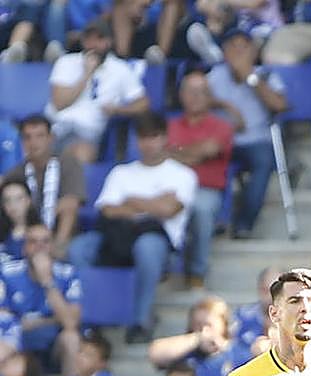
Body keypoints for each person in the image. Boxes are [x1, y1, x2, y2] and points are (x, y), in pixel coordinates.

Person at [66, 111, 198, 344]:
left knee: (147, 247)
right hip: (117, 235)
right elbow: (107, 210)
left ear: (164, 137)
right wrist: (153, 204)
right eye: (143, 137)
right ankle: (91, 316)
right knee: (78, 248)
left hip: (159, 242)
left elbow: (169, 210)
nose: (147, 143)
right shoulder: (121, 172)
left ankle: (141, 319)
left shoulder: (182, 174)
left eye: (153, 136)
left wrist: (130, 201)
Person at [207, 30, 289, 239]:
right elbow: (195, 100)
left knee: (263, 161)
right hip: (223, 140)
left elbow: (280, 105)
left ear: (254, 52)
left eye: (244, 47)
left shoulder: (266, 74)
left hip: (256, 141)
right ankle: (217, 220)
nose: (238, 52)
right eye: (233, 47)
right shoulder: (215, 75)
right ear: (224, 52)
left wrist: (250, 78)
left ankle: (244, 223)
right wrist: (223, 105)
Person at [44, 17, 149, 163]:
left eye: (99, 39)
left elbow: (143, 104)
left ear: (109, 41)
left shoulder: (120, 69)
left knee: (78, 155)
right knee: (32, 144)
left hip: (87, 133)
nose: (92, 45)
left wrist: (118, 110)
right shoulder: (66, 62)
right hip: (55, 128)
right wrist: (86, 74)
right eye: (88, 39)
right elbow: (59, 103)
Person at [168, 70, 234, 289]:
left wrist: (178, 153)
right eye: (190, 91)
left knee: (200, 209)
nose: (195, 96)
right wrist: (195, 153)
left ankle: (196, 272)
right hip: (171, 187)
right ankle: (164, 269)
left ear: (209, 96)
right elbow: (163, 154)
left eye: (201, 92)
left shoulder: (221, 126)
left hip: (205, 189)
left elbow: (206, 151)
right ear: (181, 95)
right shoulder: (171, 125)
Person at [0, 221, 82, 376]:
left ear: (52, 246)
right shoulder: (6, 272)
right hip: (16, 341)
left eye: (45, 241)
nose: (40, 246)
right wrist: (50, 319)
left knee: (71, 338)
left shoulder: (68, 273)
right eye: (33, 242)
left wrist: (47, 282)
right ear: (24, 248)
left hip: (52, 344)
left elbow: (71, 323)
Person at [3, 115, 85, 259]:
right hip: (26, 237)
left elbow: (71, 204)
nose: (34, 142)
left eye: (40, 136)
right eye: (27, 137)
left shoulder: (68, 163)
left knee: (67, 206)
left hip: (62, 236)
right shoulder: (17, 171)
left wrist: (57, 244)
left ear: (50, 138)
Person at [148, 295, 248, 376]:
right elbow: (155, 353)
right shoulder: (185, 352)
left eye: (209, 325)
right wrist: (197, 338)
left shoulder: (239, 354)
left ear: (223, 323)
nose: (204, 330)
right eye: (198, 325)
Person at [0, 178, 39, 261]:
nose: (13, 205)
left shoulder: (40, 234)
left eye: (19, 199)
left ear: (29, 201)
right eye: (7, 200)